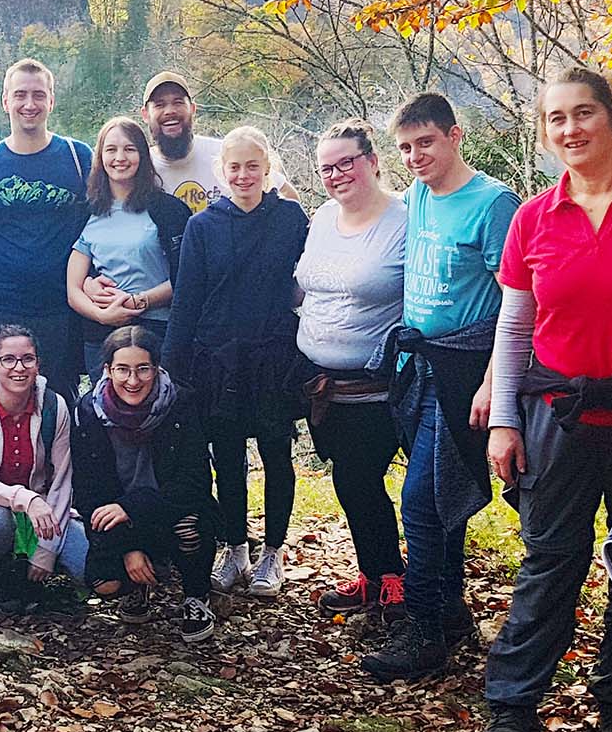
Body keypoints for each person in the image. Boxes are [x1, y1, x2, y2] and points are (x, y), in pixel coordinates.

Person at [478, 70, 612, 732]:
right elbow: (514, 328)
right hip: (555, 417)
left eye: (584, 113)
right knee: (549, 561)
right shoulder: (534, 217)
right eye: (556, 119)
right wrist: (506, 419)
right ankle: (512, 702)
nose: (571, 130)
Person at [360, 92, 521, 682]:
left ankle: (424, 629)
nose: (415, 156)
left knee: (423, 501)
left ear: (455, 136)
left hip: (465, 370)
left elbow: (517, 300)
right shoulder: (420, 196)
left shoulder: (494, 202)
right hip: (420, 367)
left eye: (425, 142)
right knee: (433, 496)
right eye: (404, 148)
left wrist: (492, 384)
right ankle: (449, 612)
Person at [164, 126, 308, 598]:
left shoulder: (290, 220)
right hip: (216, 360)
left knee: (275, 454)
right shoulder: (202, 226)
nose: (243, 175)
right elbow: (186, 301)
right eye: (234, 167)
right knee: (226, 459)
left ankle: (273, 553)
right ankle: (236, 547)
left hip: (272, 357)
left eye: (253, 166)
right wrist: (173, 366)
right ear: (220, 173)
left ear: (268, 169)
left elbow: (310, 283)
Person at [294, 120, 408, 626]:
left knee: (361, 479)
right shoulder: (321, 218)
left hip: (377, 386)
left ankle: (396, 581)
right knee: (350, 482)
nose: (338, 174)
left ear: (373, 160)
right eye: (327, 167)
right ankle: (373, 573)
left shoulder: (405, 219)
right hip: (322, 385)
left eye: (347, 162)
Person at [73, 325, 221, 642]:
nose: (133, 380)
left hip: (168, 508)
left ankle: (197, 595)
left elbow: (194, 483)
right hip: (117, 514)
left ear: (156, 369)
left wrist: (132, 507)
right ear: (107, 370)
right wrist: (129, 547)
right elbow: (87, 492)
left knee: (190, 526)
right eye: (123, 370)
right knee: (103, 584)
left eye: (143, 369)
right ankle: (138, 585)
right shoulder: (89, 411)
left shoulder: (180, 404)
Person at [0, 59, 94, 395]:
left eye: (38, 95)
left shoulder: (79, 158)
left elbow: (102, 229)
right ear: (5, 101)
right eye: (20, 95)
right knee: (9, 400)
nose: (29, 104)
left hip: (66, 308)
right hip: (4, 305)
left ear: (52, 100)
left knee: (62, 400)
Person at [0, 325, 89, 613]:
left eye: (27, 359)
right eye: (8, 360)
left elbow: (62, 480)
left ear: (38, 364)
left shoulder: (54, 406)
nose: (18, 368)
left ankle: (32, 574)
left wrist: (47, 552)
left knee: (93, 568)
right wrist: (26, 499)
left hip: (43, 513)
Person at [67, 116, 189, 375]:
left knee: (158, 411)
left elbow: (186, 276)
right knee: (106, 410)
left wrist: (139, 302)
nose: (119, 157)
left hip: (156, 332)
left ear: (143, 155)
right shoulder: (86, 210)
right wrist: (102, 315)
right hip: (101, 336)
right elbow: (73, 288)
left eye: (129, 149)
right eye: (111, 150)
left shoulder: (169, 210)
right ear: (100, 157)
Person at [140, 71, 295, 213]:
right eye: (159, 105)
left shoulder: (225, 154)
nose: (170, 111)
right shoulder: (141, 168)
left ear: (193, 109)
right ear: (145, 114)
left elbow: (288, 195)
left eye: (178, 102)